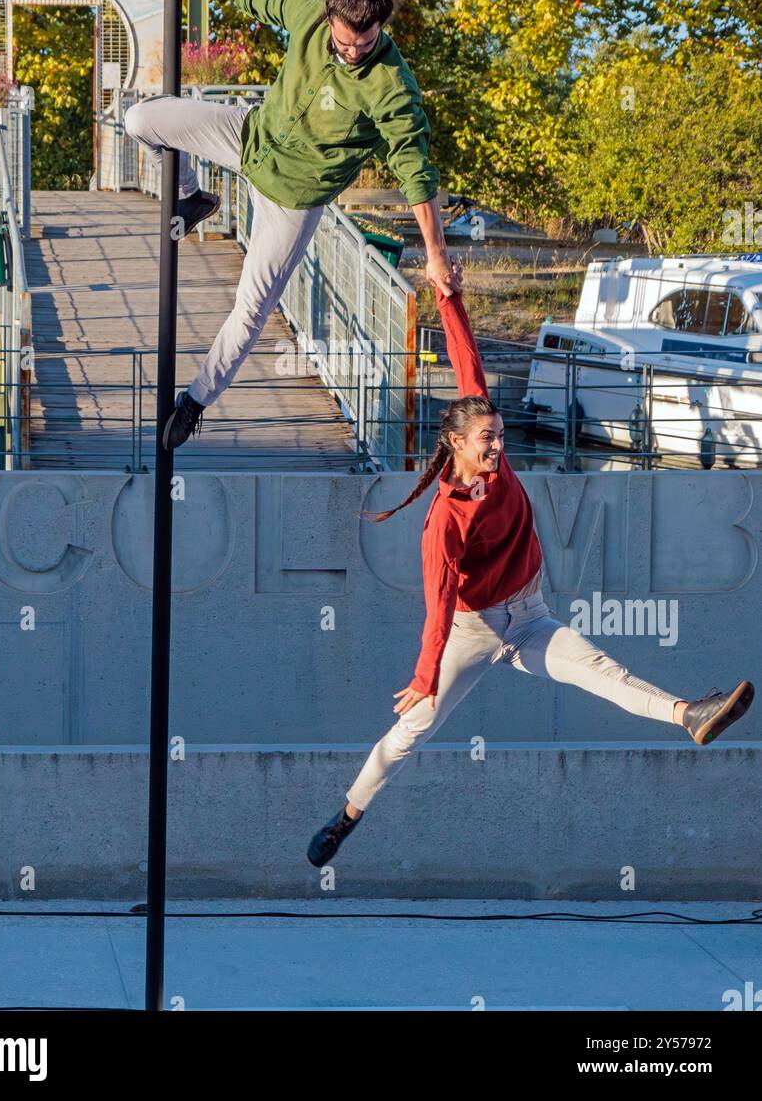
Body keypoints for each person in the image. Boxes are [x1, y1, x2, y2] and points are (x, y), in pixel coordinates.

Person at [307, 275, 755, 867]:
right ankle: (346, 818)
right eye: (486, 441)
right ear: (457, 444)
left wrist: (448, 297)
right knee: (411, 732)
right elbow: (438, 606)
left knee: (600, 668)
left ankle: (689, 715)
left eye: (497, 436)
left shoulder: (492, 453)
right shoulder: (445, 520)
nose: (497, 447)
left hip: (529, 615)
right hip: (472, 631)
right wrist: (423, 677)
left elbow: (468, 361)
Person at [124, 0, 461, 450]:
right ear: (330, 18)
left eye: (364, 44)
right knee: (142, 119)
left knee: (252, 307)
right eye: (344, 42)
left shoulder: (392, 87)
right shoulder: (309, 12)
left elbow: (415, 171)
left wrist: (437, 254)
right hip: (251, 137)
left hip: (295, 196)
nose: (352, 52)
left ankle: (197, 400)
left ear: (380, 29)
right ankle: (192, 198)